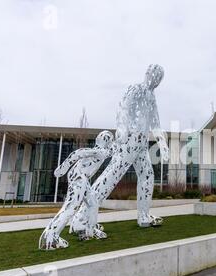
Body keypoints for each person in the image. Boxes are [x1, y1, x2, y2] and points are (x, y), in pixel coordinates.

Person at [69, 64, 169, 239]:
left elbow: (155, 123)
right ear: (147, 74)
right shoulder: (136, 89)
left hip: (141, 145)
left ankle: (144, 216)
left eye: (160, 77)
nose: (157, 80)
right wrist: (121, 128)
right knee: (111, 177)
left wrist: (162, 143)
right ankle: (81, 218)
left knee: (147, 176)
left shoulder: (151, 97)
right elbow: (123, 107)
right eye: (155, 75)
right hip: (129, 140)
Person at [39, 130, 114, 250]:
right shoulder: (99, 151)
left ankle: (89, 230)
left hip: (82, 178)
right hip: (79, 178)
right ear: (106, 141)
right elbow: (77, 153)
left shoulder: (102, 151)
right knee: (71, 208)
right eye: (109, 139)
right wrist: (62, 168)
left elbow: (111, 151)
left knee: (93, 203)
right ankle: (49, 237)